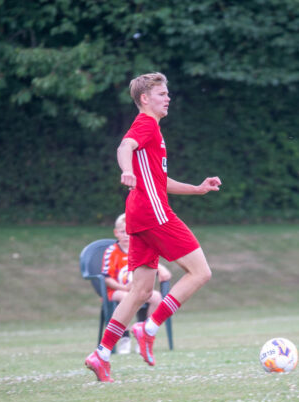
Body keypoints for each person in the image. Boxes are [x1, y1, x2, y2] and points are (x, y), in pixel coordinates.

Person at [85, 72, 222, 382]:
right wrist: (125, 170)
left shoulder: (154, 131)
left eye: (167, 93)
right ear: (145, 99)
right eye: (161, 94)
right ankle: (148, 328)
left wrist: (197, 189)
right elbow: (124, 148)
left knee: (141, 291)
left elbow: (162, 181)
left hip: (138, 216)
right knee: (201, 272)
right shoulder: (145, 125)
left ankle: (102, 353)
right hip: (153, 214)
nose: (167, 98)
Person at [102, 213, 172, 354]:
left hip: (138, 290)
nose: (127, 235)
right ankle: (124, 338)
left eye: (129, 232)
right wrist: (124, 287)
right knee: (125, 297)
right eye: (123, 232)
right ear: (116, 233)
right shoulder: (111, 251)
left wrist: (161, 268)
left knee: (157, 297)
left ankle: (144, 334)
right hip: (117, 291)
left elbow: (150, 261)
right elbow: (107, 278)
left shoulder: (138, 248)